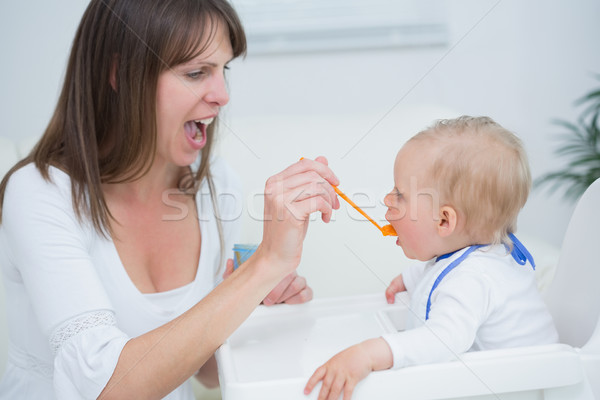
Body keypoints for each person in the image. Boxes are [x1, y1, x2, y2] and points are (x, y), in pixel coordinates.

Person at [0, 0, 340, 398]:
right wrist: (264, 266)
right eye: (196, 72)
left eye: (223, 70)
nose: (221, 95)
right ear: (118, 73)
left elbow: (207, 374)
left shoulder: (216, 184)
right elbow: (105, 388)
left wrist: (254, 304)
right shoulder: (39, 194)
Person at [304, 116, 559, 400]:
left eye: (400, 194)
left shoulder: (474, 279)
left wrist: (368, 354)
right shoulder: (479, 255)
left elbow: (441, 340)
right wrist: (409, 279)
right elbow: (441, 271)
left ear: (444, 221)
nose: (387, 199)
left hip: (520, 390)